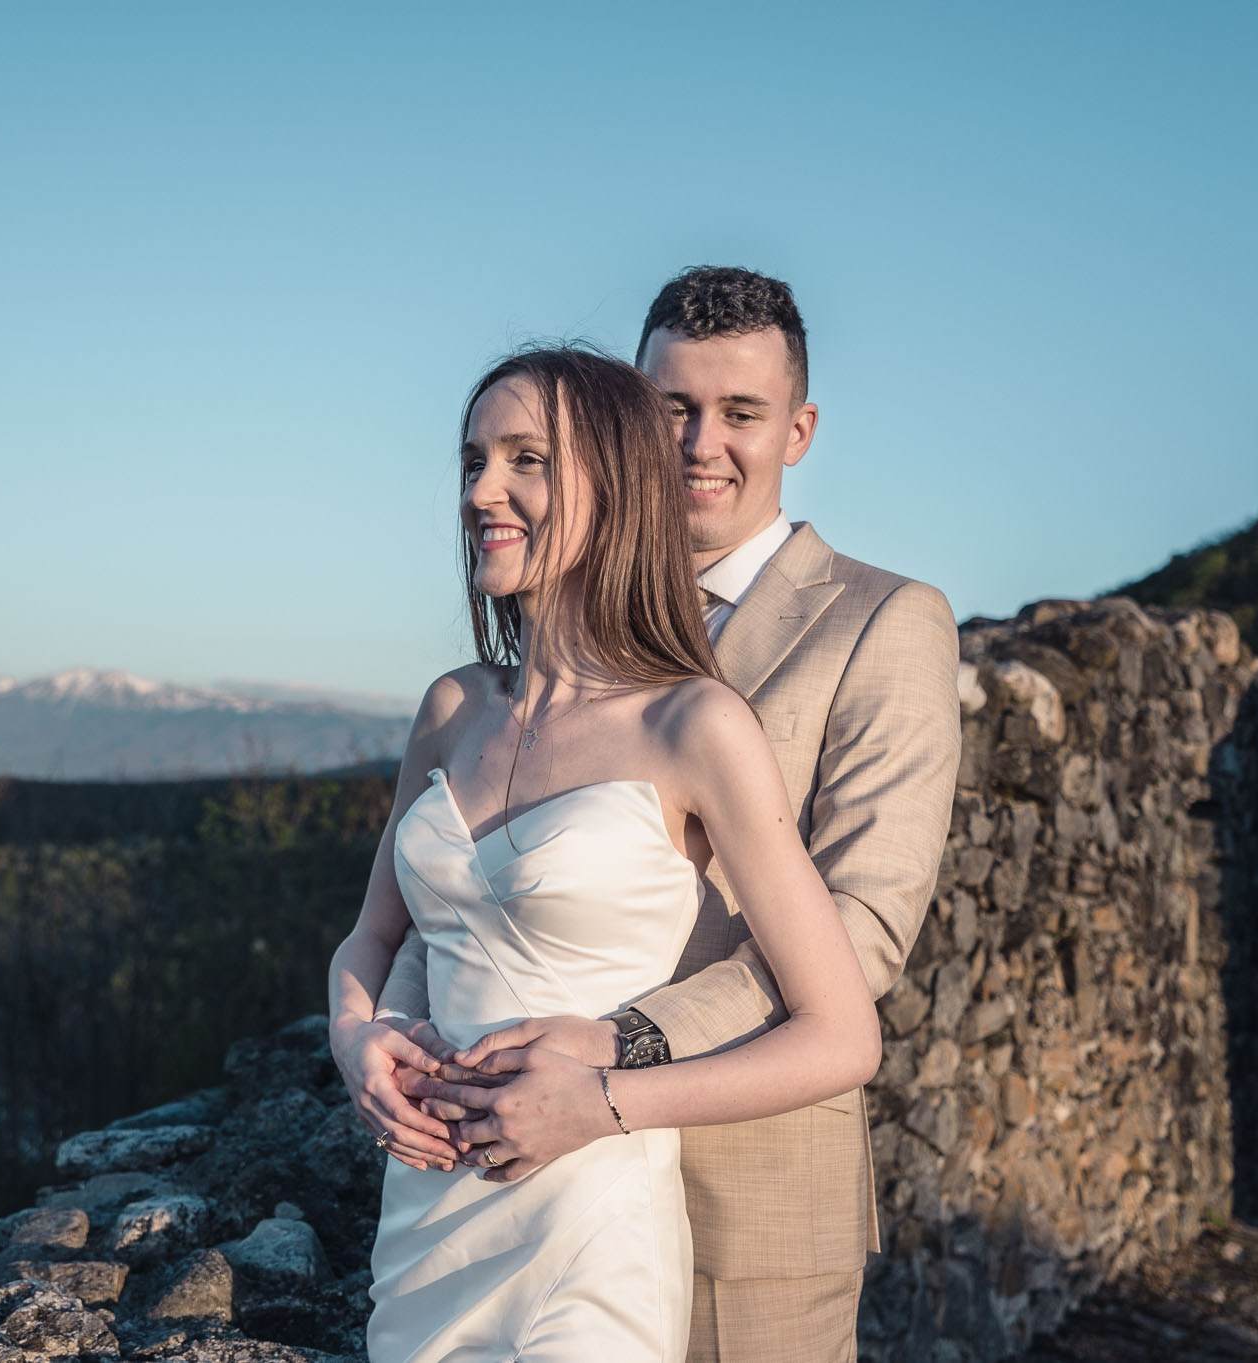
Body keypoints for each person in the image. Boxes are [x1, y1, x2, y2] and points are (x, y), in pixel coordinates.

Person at [336, 268, 961, 1362]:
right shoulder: (466, 697)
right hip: (452, 1195)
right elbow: (418, 922)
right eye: (670, 409)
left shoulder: (878, 626)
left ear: (796, 429)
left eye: (739, 413)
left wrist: (612, 1062)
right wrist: (373, 1033)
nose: (696, 443)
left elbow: (854, 938)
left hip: (733, 1182)